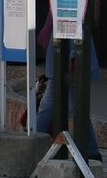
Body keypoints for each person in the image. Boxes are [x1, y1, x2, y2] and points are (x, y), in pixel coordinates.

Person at [36, 10, 101, 160]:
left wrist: (71, 57)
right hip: (66, 60)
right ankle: (92, 151)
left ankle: (35, 142)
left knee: (61, 106)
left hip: (67, 62)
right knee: (75, 107)